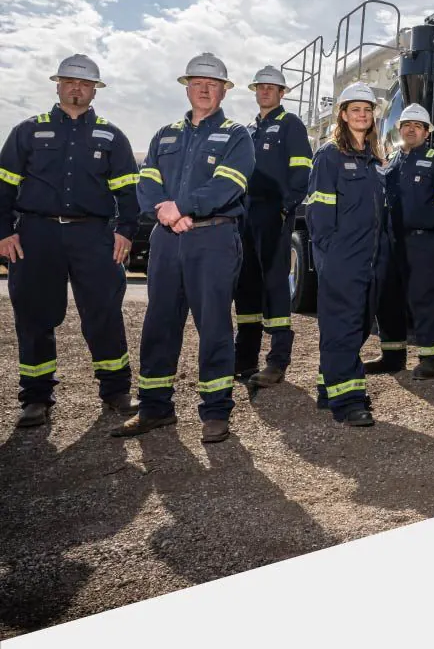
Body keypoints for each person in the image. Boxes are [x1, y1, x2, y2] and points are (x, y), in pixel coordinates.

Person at [113, 52, 254, 444]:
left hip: (213, 239)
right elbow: (147, 180)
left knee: (214, 326)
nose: (204, 89)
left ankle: (215, 412)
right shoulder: (165, 135)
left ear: (224, 90)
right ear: (186, 87)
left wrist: (184, 207)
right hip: (167, 238)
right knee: (159, 323)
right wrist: (167, 212)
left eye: (212, 84)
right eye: (197, 83)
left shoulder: (236, 136)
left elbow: (230, 183)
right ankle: (155, 408)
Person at [0, 54, 140, 428]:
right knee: (33, 315)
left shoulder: (111, 136)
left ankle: (115, 390)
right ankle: (36, 397)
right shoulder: (28, 131)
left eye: (85, 84)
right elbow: (3, 188)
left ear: (95, 90)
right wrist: (3, 231)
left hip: (92, 235)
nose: (77, 88)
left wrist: (125, 231)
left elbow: (129, 192)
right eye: (70, 82)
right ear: (58, 85)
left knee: (104, 313)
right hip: (35, 234)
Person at [306, 82, 390, 426]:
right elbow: (318, 213)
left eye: (367, 110)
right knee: (342, 326)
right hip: (343, 258)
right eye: (355, 109)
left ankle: (329, 388)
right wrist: (331, 257)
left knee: (355, 325)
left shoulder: (373, 158)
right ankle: (349, 401)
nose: (362, 115)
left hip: (369, 257)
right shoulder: (329, 155)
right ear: (342, 115)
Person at [232, 66, 312, 390]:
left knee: (275, 284)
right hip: (245, 214)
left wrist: (285, 207)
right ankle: (244, 358)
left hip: (273, 213)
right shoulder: (249, 129)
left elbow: (302, 168)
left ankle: (277, 360)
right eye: (260, 87)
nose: (265, 91)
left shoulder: (290, 124)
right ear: (255, 91)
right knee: (245, 284)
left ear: (282, 93)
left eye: (271, 87)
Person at [370, 103, 434, 379]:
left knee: (424, 299)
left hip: (423, 242)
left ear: (427, 132)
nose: (411, 129)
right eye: (407, 125)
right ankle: (392, 356)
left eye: (417, 126)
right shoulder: (392, 162)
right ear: (399, 129)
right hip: (392, 242)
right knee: (388, 298)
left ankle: (429, 359)